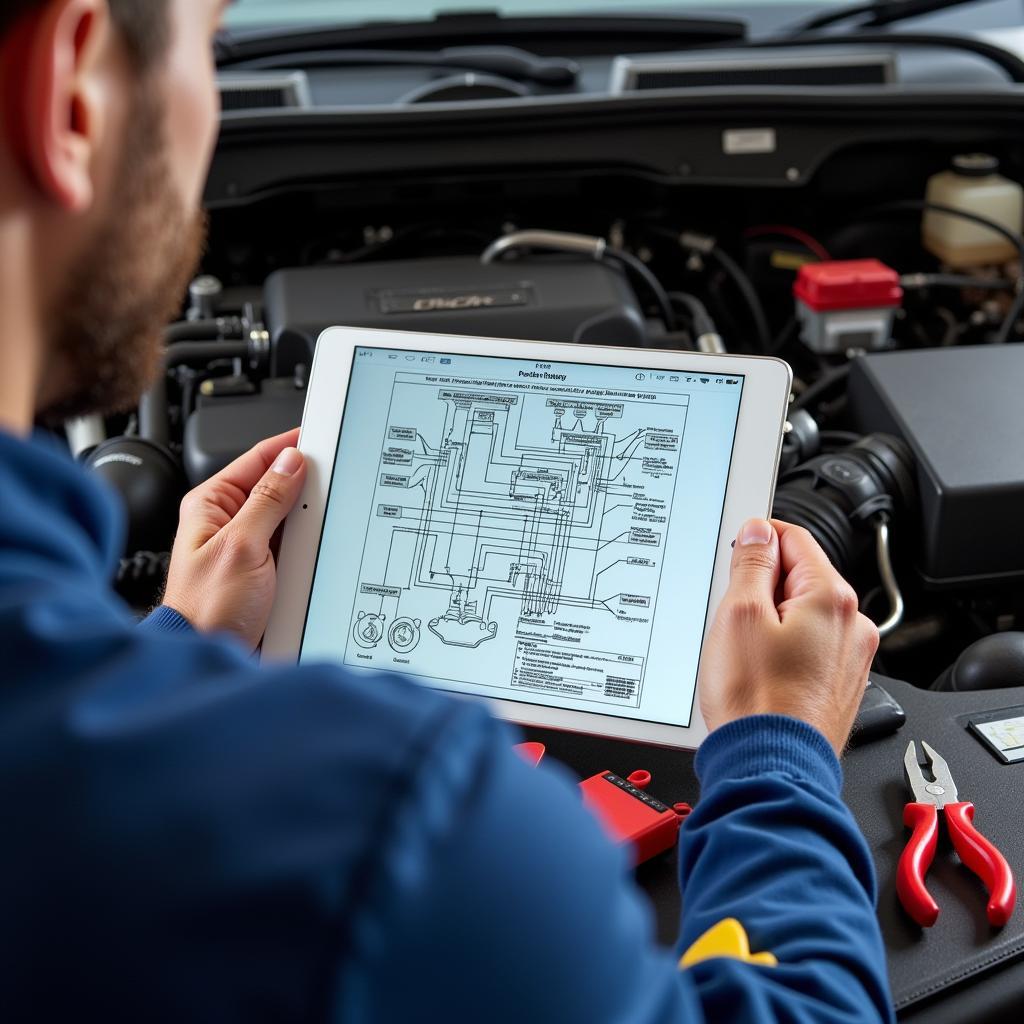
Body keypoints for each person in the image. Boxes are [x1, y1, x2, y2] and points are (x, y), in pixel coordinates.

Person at [0, 1, 892, 1020]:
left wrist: (168, 650)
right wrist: (778, 750)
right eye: (210, 45)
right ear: (72, 91)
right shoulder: (391, 831)